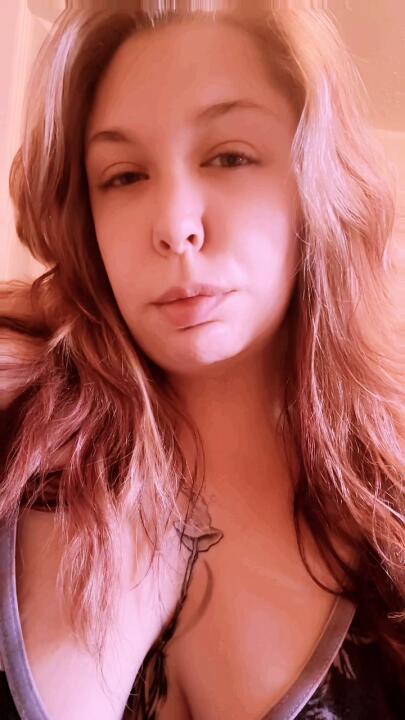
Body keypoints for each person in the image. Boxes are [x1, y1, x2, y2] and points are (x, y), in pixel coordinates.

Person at [0, 2, 403, 719]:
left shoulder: (389, 510)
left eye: (229, 157)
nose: (174, 224)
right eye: (124, 175)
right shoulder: (18, 435)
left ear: (313, 185)